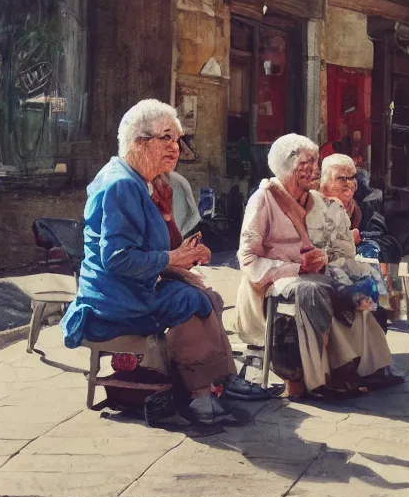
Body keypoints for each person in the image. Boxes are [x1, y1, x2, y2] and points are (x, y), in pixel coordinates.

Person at [61, 99, 260, 424]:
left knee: (208, 295)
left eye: (178, 139)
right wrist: (172, 259)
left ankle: (221, 379)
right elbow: (116, 259)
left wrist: (179, 251)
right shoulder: (122, 185)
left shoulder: (140, 181)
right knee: (190, 299)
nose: (176, 147)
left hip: (130, 289)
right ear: (139, 142)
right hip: (115, 300)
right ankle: (201, 395)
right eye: (166, 138)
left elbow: (149, 246)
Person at [235, 134, 396, 400]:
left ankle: (366, 366)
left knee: (361, 278)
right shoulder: (263, 199)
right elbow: (249, 260)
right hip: (269, 281)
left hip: (311, 274)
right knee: (316, 289)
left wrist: (322, 257)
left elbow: (331, 246)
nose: (315, 170)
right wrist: (298, 267)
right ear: (286, 167)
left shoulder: (318, 202)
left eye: (315, 162)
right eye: (306, 164)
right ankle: (318, 377)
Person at [319, 154, 403, 264]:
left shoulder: (365, 212)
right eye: (341, 178)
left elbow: (391, 248)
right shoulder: (314, 210)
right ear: (325, 185)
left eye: (352, 177)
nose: (349, 183)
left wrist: (361, 240)